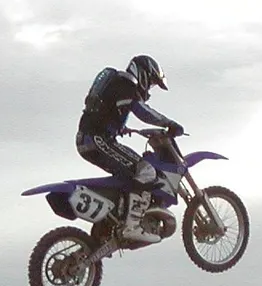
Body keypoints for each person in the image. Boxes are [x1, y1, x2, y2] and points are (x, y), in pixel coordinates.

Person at [75, 54, 184, 243]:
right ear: (143, 74)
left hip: (93, 139)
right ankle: (132, 225)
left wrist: (120, 127)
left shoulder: (117, 86)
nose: (149, 88)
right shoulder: (126, 85)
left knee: (131, 173)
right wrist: (169, 123)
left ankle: (111, 221)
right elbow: (142, 110)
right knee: (147, 171)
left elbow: (105, 112)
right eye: (150, 83)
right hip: (97, 140)